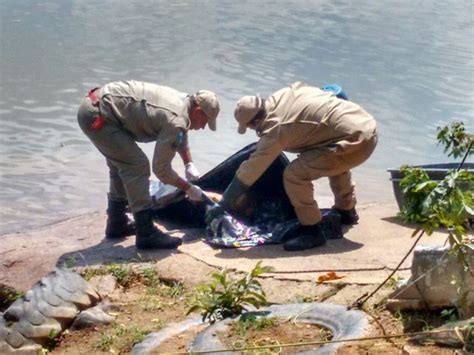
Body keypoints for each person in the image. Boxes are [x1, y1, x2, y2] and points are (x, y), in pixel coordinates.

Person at [206, 81, 377, 251]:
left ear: (253, 123)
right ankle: (346, 211)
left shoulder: (275, 129)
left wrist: (225, 203)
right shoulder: (283, 96)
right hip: (364, 125)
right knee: (330, 160)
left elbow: (252, 169)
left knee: (295, 174)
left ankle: (312, 230)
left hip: (356, 141)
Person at [78, 80, 220, 249]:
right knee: (136, 166)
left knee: (122, 164)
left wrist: (188, 163)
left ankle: (117, 222)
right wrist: (188, 188)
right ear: (198, 111)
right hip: (99, 115)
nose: (203, 127)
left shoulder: (183, 102)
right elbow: (161, 170)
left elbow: (181, 134)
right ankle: (146, 233)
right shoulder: (176, 119)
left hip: (99, 105)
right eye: (205, 122)